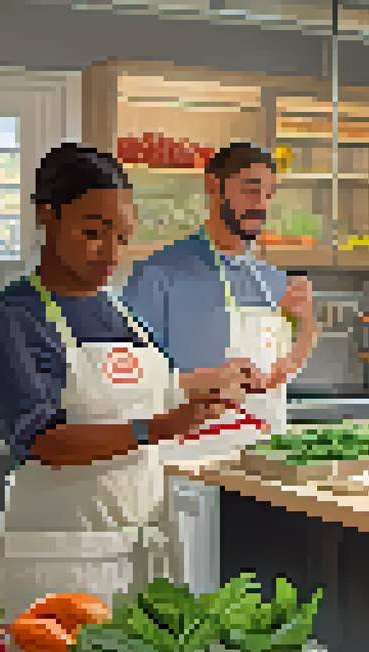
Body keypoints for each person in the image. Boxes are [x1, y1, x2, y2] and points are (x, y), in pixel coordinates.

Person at [0, 144, 258, 652]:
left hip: (143, 556)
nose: (111, 252)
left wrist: (207, 385)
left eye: (122, 237)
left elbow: (146, 391)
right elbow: (44, 440)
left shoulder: (120, 313)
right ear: (47, 215)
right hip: (61, 564)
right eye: (93, 232)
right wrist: (163, 426)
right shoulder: (7, 318)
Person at [120, 143, 319, 458]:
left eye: (268, 195)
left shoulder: (274, 280)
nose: (260, 204)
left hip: (265, 455)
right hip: (189, 459)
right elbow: (127, 376)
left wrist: (305, 328)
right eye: (250, 190)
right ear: (214, 187)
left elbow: (291, 358)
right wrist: (205, 380)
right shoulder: (159, 273)